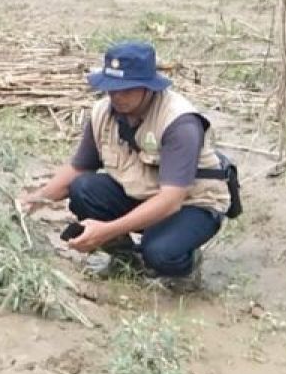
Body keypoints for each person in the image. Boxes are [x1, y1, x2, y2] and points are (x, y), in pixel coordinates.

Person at [19, 41, 231, 292]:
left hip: (190, 205)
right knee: (83, 188)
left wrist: (105, 231)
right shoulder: (102, 113)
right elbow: (79, 168)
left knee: (159, 251)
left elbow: (171, 200)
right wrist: (36, 199)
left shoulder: (180, 123)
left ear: (148, 87)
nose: (117, 96)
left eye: (126, 89)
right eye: (112, 89)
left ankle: (184, 265)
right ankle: (125, 257)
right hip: (141, 195)